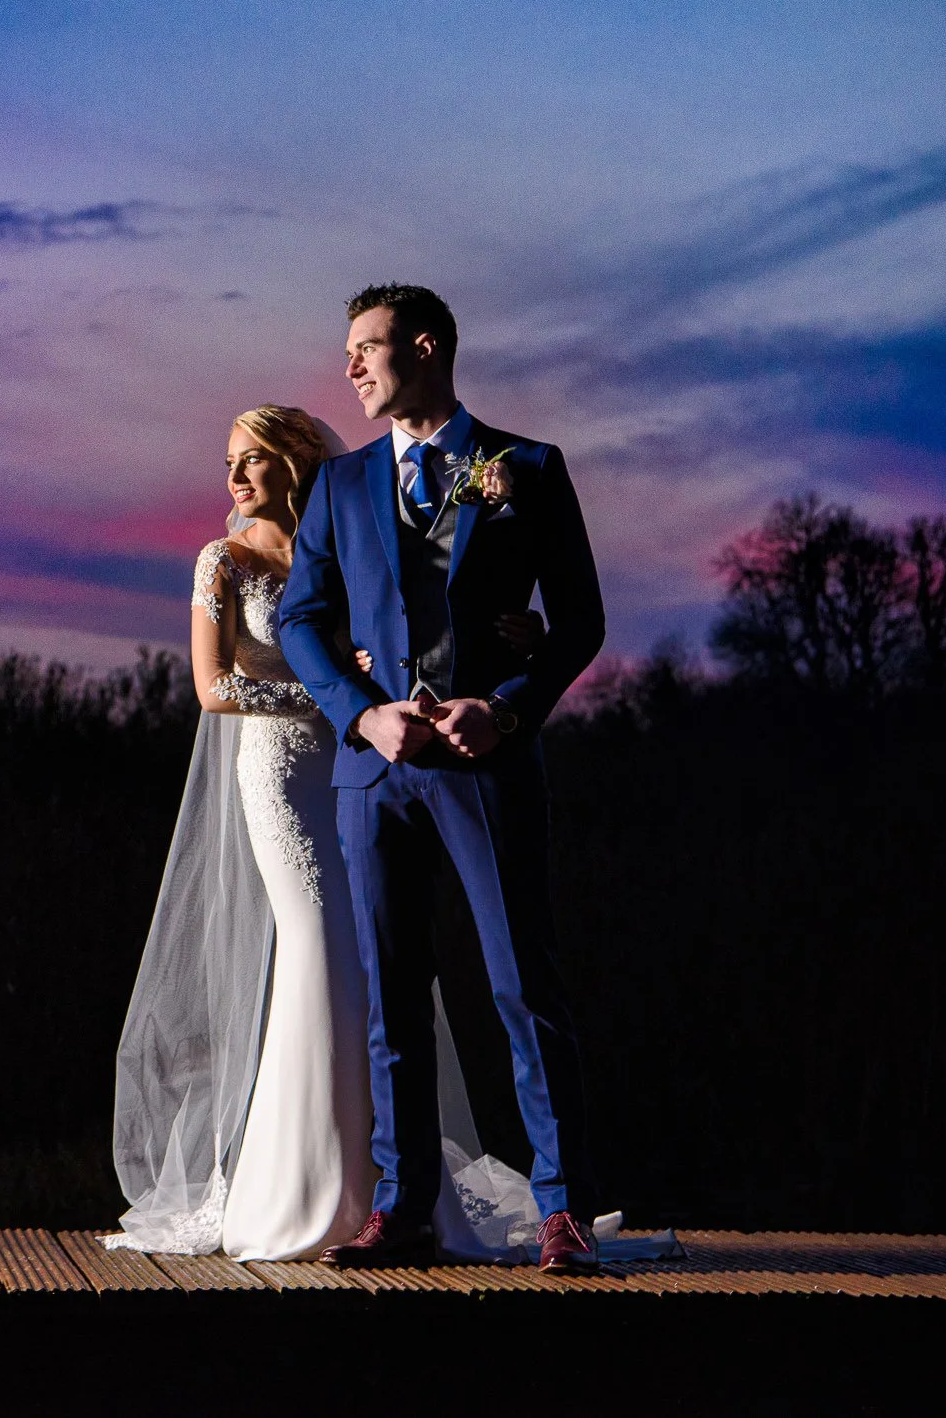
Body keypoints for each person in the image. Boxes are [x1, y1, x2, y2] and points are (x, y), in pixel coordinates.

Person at [108, 407, 548, 1260]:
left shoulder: (342, 550)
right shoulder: (222, 560)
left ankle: (391, 1190)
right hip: (278, 772)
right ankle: (299, 1191)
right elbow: (212, 686)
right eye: (229, 460)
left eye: (254, 459)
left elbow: (417, 619)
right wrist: (335, 698)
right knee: (315, 948)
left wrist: (519, 627)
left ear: (296, 463)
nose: (235, 477)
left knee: (375, 957)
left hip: (358, 770)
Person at [276, 283, 608, 1275]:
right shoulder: (337, 487)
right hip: (374, 778)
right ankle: (402, 1205)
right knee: (390, 996)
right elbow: (300, 616)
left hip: (485, 767)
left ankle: (561, 1212)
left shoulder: (527, 469)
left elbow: (580, 621)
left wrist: (505, 704)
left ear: (423, 348)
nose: (349, 369)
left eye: (365, 349)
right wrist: (360, 712)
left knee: (522, 987)